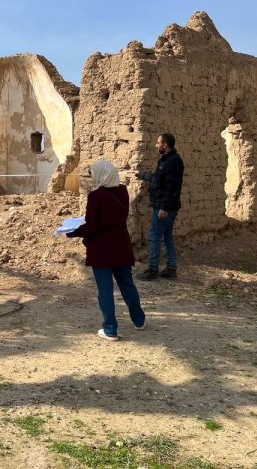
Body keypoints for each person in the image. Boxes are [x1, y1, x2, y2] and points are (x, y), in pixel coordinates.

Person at [66, 160, 146, 341]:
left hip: (102, 251)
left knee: (105, 290)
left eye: (94, 174)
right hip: (121, 247)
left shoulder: (96, 197)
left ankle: (110, 329)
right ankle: (139, 320)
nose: (93, 176)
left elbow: (92, 226)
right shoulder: (123, 191)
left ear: (101, 175)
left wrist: (73, 231)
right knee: (127, 285)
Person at [136, 133, 185, 280]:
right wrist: (140, 174)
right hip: (165, 205)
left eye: (158, 143)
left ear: (165, 145)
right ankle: (171, 269)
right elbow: (157, 179)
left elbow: (172, 188)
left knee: (154, 236)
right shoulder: (166, 160)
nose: (156, 145)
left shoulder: (173, 162)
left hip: (164, 207)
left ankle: (152, 270)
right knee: (167, 237)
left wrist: (164, 207)